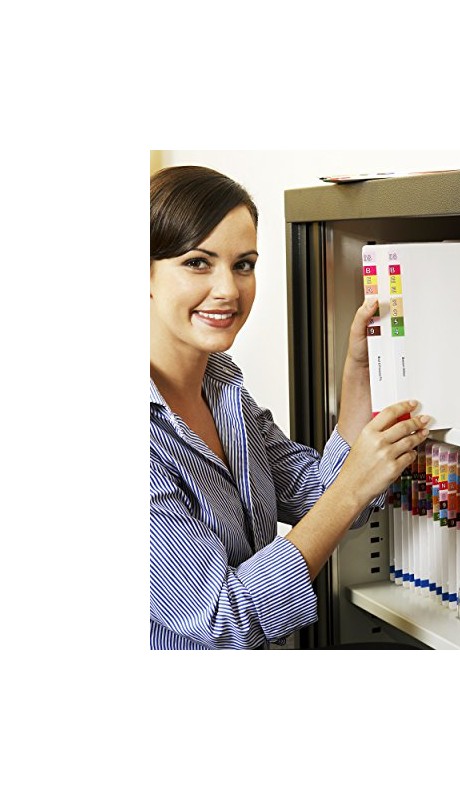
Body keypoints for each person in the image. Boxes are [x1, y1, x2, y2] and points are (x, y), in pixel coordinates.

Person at [150, 165, 430, 649]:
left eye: (244, 264)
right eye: (197, 262)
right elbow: (225, 620)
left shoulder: (224, 391)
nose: (228, 290)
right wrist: (351, 489)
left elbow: (316, 495)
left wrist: (357, 376)